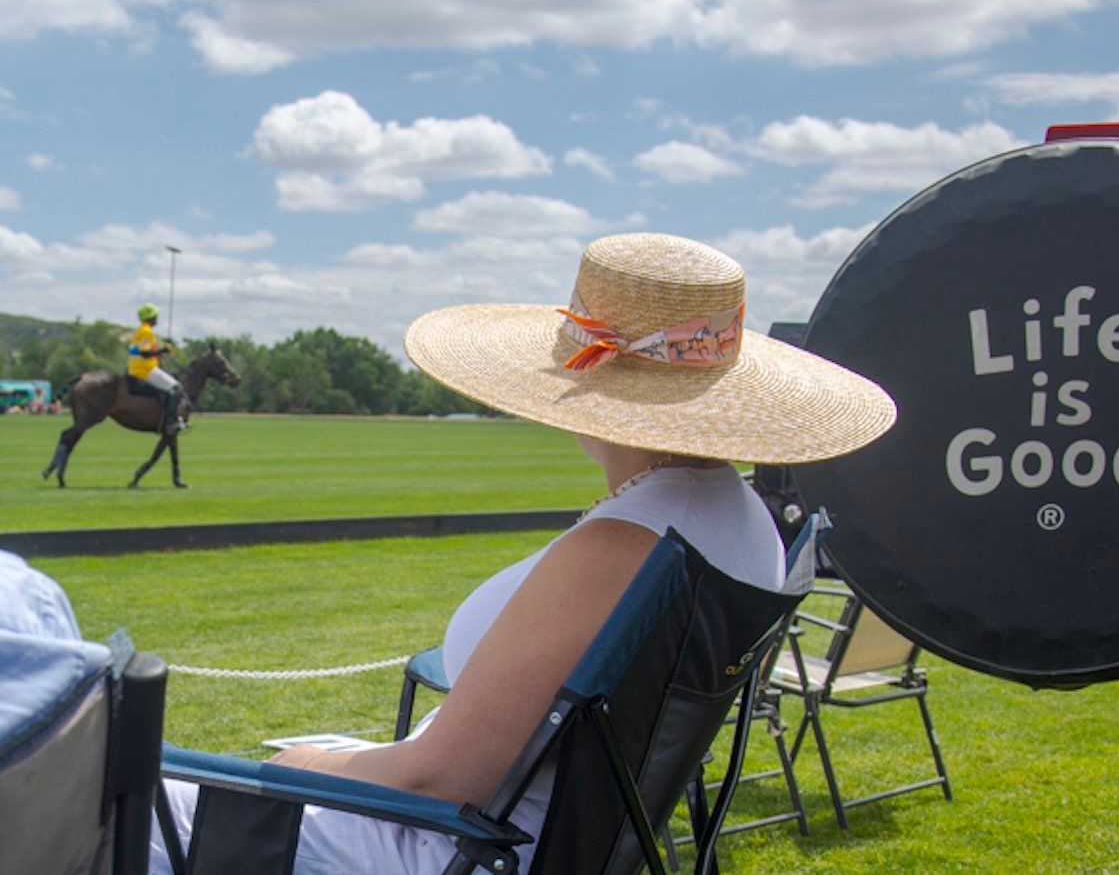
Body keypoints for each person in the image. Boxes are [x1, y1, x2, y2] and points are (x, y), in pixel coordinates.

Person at [150, 233, 893, 871]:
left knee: (133, 807)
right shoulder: (733, 518)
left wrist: (306, 764)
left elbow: (443, 775)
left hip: (461, 845)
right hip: (531, 833)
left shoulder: (628, 543)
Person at [128, 302, 186, 435]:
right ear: (150, 317)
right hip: (145, 370)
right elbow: (145, 353)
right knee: (176, 388)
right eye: (155, 316)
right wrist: (163, 350)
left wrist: (158, 354)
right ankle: (170, 423)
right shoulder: (146, 332)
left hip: (138, 367)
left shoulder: (139, 331)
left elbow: (144, 353)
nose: (157, 318)